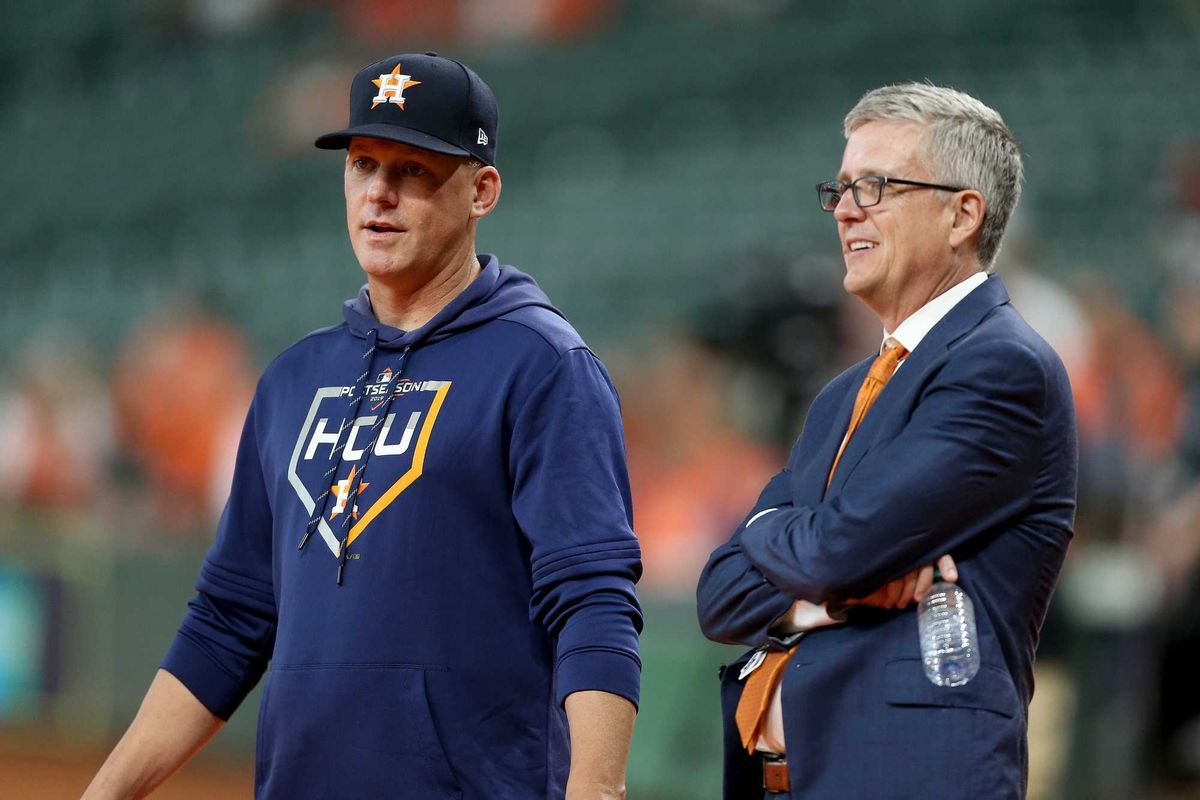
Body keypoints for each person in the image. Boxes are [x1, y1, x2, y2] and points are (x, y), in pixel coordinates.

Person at [83, 52, 642, 800]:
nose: (379, 192)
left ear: (481, 191)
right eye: (363, 165)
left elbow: (593, 601)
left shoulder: (541, 366)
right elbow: (228, 619)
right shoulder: (293, 380)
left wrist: (596, 791)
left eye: (413, 169)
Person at [696, 82, 1077, 799]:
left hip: (908, 774)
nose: (845, 210)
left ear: (963, 214)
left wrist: (769, 530)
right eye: (841, 189)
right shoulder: (842, 395)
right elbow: (719, 595)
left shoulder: (1001, 366)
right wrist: (831, 594)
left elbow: (835, 551)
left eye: (875, 187)